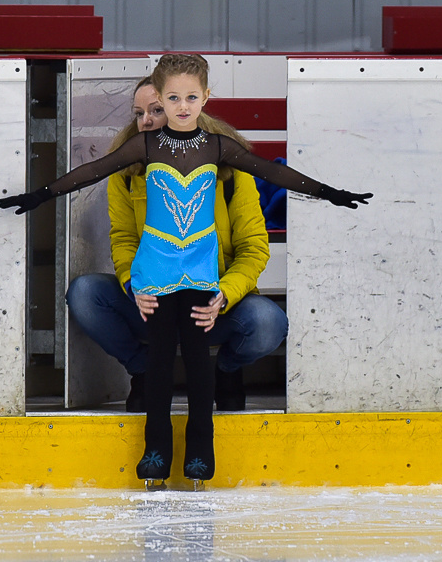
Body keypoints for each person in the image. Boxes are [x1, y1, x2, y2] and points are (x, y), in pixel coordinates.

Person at [0, 54, 372, 485]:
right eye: (156, 105)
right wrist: (40, 196)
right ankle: (155, 446)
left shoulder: (222, 155)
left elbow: (267, 199)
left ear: (205, 99)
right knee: (154, 358)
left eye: (181, 100)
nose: (164, 113)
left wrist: (331, 194)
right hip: (153, 282)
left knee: (203, 359)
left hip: (206, 284)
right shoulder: (138, 155)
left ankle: (205, 436)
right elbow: (95, 184)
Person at [65, 75, 289, 414]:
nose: (146, 121)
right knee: (84, 293)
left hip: (210, 306)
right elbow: (124, 240)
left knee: (268, 322)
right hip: (155, 303)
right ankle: (145, 371)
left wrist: (223, 295)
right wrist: (133, 285)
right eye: (138, 113)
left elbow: (254, 248)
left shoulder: (230, 167)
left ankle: (227, 373)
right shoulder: (126, 171)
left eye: (157, 109)